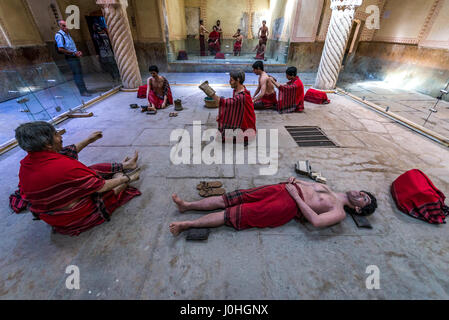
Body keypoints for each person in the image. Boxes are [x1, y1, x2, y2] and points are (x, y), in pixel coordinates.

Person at [12, 122, 141, 236]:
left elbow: (66, 152)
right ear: (47, 144)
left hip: (50, 213)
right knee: (107, 189)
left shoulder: (30, 161)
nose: (61, 137)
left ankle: (127, 165)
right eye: (56, 134)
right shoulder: (63, 167)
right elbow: (102, 187)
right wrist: (125, 178)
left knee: (92, 169)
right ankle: (124, 176)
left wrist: (89, 140)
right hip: (71, 216)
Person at [169, 177, 377, 236]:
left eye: (363, 199)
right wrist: (296, 182)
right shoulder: (330, 187)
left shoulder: (339, 212)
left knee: (234, 213)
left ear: (358, 209)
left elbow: (315, 221)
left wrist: (296, 197)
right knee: (234, 197)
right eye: (363, 192)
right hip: (284, 189)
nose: (360, 193)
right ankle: (186, 206)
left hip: (288, 205)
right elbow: (309, 185)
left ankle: (186, 224)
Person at [204, 70, 256, 142]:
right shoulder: (237, 90)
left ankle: (245, 139)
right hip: (240, 120)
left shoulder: (242, 96)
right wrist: (222, 115)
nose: (229, 81)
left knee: (223, 137)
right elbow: (232, 107)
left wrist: (210, 93)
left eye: (231, 80)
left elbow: (224, 102)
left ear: (238, 80)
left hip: (245, 126)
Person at [55, 20, 91, 97]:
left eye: (66, 25)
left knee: (79, 73)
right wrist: (73, 53)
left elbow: (71, 47)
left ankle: (84, 89)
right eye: (63, 26)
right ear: (60, 26)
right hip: (70, 57)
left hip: (74, 56)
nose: (66, 27)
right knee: (77, 74)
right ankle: (83, 92)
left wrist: (77, 52)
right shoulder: (59, 35)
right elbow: (60, 49)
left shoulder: (68, 35)